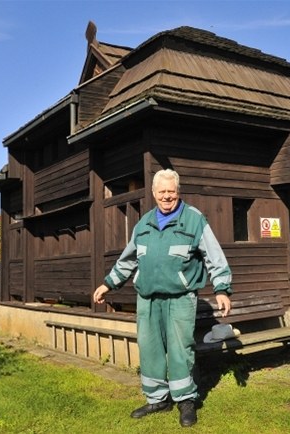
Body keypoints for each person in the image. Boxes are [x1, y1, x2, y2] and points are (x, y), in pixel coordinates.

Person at [93, 169, 232, 428]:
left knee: (181, 349)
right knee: (150, 349)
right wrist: (107, 284)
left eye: (171, 191)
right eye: (162, 192)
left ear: (178, 192)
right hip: (148, 299)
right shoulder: (143, 224)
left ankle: (186, 400)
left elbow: (215, 256)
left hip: (180, 298)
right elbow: (128, 260)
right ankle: (157, 399)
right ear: (154, 193)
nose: (167, 196)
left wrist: (221, 289)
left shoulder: (194, 219)